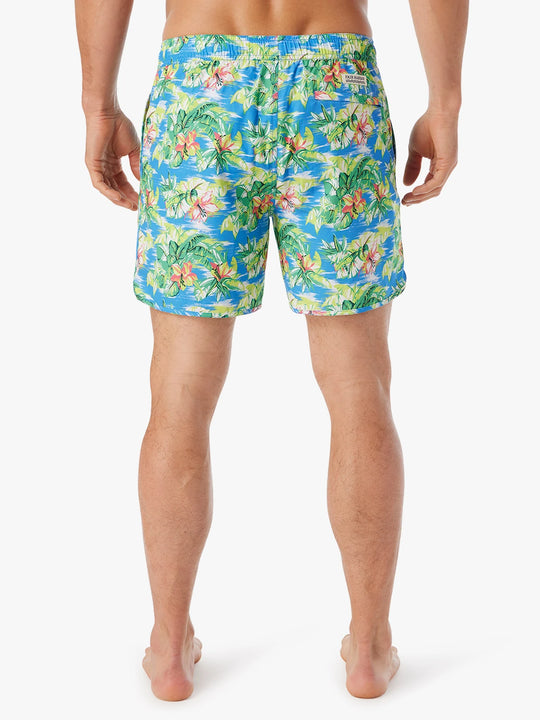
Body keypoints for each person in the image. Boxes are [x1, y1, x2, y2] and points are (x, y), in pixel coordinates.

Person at [75, 0, 468, 702]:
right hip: (333, 85)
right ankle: (369, 647)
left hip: (202, 86)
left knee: (180, 391)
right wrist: (446, 100)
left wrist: (97, 103)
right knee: (359, 387)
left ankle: (169, 644)